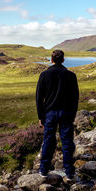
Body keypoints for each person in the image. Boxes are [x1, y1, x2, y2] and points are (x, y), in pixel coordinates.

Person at [36, 49, 79, 181]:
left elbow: (39, 97)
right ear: (63, 60)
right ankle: (70, 173)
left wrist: (40, 116)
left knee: (48, 141)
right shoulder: (71, 75)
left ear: (52, 60)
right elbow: (75, 97)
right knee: (67, 142)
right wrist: (73, 114)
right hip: (66, 113)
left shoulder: (44, 75)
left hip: (50, 113)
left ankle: (43, 170)